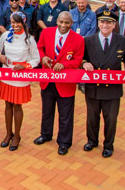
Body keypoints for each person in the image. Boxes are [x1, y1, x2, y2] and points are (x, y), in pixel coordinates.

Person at [82, 10, 125, 158]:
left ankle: (108, 145)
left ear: (114, 25)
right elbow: (82, 58)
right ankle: (92, 141)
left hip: (112, 88)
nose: (105, 25)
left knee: (110, 119)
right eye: (102, 22)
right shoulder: (88, 40)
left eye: (109, 22)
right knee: (92, 117)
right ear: (98, 23)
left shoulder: (122, 40)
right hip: (94, 87)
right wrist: (85, 63)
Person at [34, 11, 84, 155]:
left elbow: (78, 60)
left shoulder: (78, 39)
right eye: (61, 22)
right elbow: (40, 48)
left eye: (67, 23)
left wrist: (65, 65)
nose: (63, 25)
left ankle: (64, 142)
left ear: (71, 24)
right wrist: (42, 58)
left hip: (65, 84)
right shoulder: (46, 33)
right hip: (47, 80)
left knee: (65, 115)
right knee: (46, 111)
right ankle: (45, 134)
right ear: (57, 21)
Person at [0, 12, 40, 151]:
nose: (15, 25)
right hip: (7, 74)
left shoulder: (29, 39)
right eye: (12, 22)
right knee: (8, 105)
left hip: (20, 76)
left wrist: (24, 66)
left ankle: (17, 136)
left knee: (17, 106)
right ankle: (8, 134)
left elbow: (36, 59)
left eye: (18, 22)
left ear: (24, 23)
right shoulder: (6, 35)